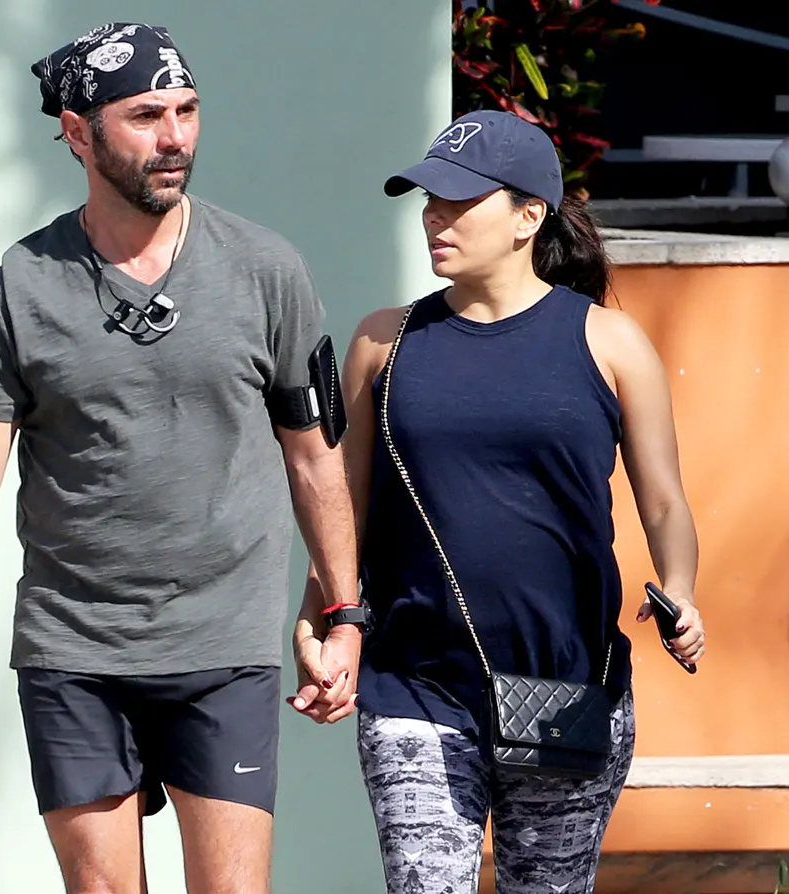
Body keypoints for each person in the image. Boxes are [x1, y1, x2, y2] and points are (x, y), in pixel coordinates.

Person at [0, 22, 362, 894]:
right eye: (147, 114)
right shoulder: (22, 284)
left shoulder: (267, 270)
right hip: (73, 646)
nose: (176, 137)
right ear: (78, 132)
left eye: (188, 111)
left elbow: (315, 461)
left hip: (222, 641)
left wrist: (344, 614)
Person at [290, 110, 706, 894]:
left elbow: (664, 505)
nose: (433, 218)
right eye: (427, 200)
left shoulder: (609, 342)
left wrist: (679, 590)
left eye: (458, 201)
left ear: (527, 216)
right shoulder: (384, 341)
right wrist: (326, 618)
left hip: (567, 691)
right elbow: (342, 503)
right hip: (414, 685)